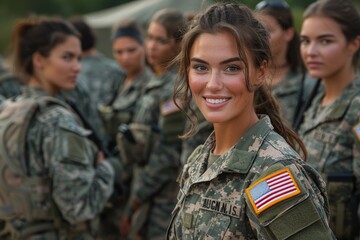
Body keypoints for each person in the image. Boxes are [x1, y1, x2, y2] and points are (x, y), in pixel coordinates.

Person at [167, 3, 335, 239]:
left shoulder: (273, 175)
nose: (213, 84)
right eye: (201, 67)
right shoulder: (199, 161)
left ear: (261, 72)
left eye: (232, 68)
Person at [0, 16, 121, 239]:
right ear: (39, 60)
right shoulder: (57, 120)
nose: (77, 67)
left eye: (78, 57)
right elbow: (78, 208)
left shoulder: (9, 109)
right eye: (67, 57)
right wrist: (106, 169)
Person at [119, 8, 186, 240]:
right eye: (149, 37)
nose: (152, 46)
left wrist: (137, 198)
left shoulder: (176, 89)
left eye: (161, 40)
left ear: (178, 45)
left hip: (162, 196)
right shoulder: (153, 81)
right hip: (143, 186)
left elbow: (167, 154)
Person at [298, 0, 360, 239]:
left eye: (325, 41)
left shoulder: (355, 109)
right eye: (305, 41)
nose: (311, 51)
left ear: (354, 43)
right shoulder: (315, 101)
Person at [255, 0, 316, 128]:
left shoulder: (308, 83)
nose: (260, 38)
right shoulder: (246, 78)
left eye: (268, 31)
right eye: (257, 31)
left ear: (288, 33)